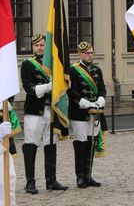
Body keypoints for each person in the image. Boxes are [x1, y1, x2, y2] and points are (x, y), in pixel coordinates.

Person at [19, 34, 68, 194]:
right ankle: (30, 182)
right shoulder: (28, 64)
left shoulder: (54, 64)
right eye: (37, 45)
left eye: (42, 45)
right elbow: (28, 87)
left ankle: (51, 180)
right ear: (32, 47)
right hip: (35, 110)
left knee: (51, 144)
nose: (40, 48)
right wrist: (47, 87)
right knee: (31, 143)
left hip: (52, 110)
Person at [67, 41, 107, 188]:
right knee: (81, 143)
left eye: (91, 53)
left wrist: (101, 99)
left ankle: (89, 175)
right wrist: (84, 102)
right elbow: (71, 91)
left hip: (95, 111)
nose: (90, 55)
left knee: (91, 143)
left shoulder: (97, 70)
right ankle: (80, 177)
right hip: (79, 112)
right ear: (80, 54)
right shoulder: (73, 70)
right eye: (87, 53)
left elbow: (102, 88)